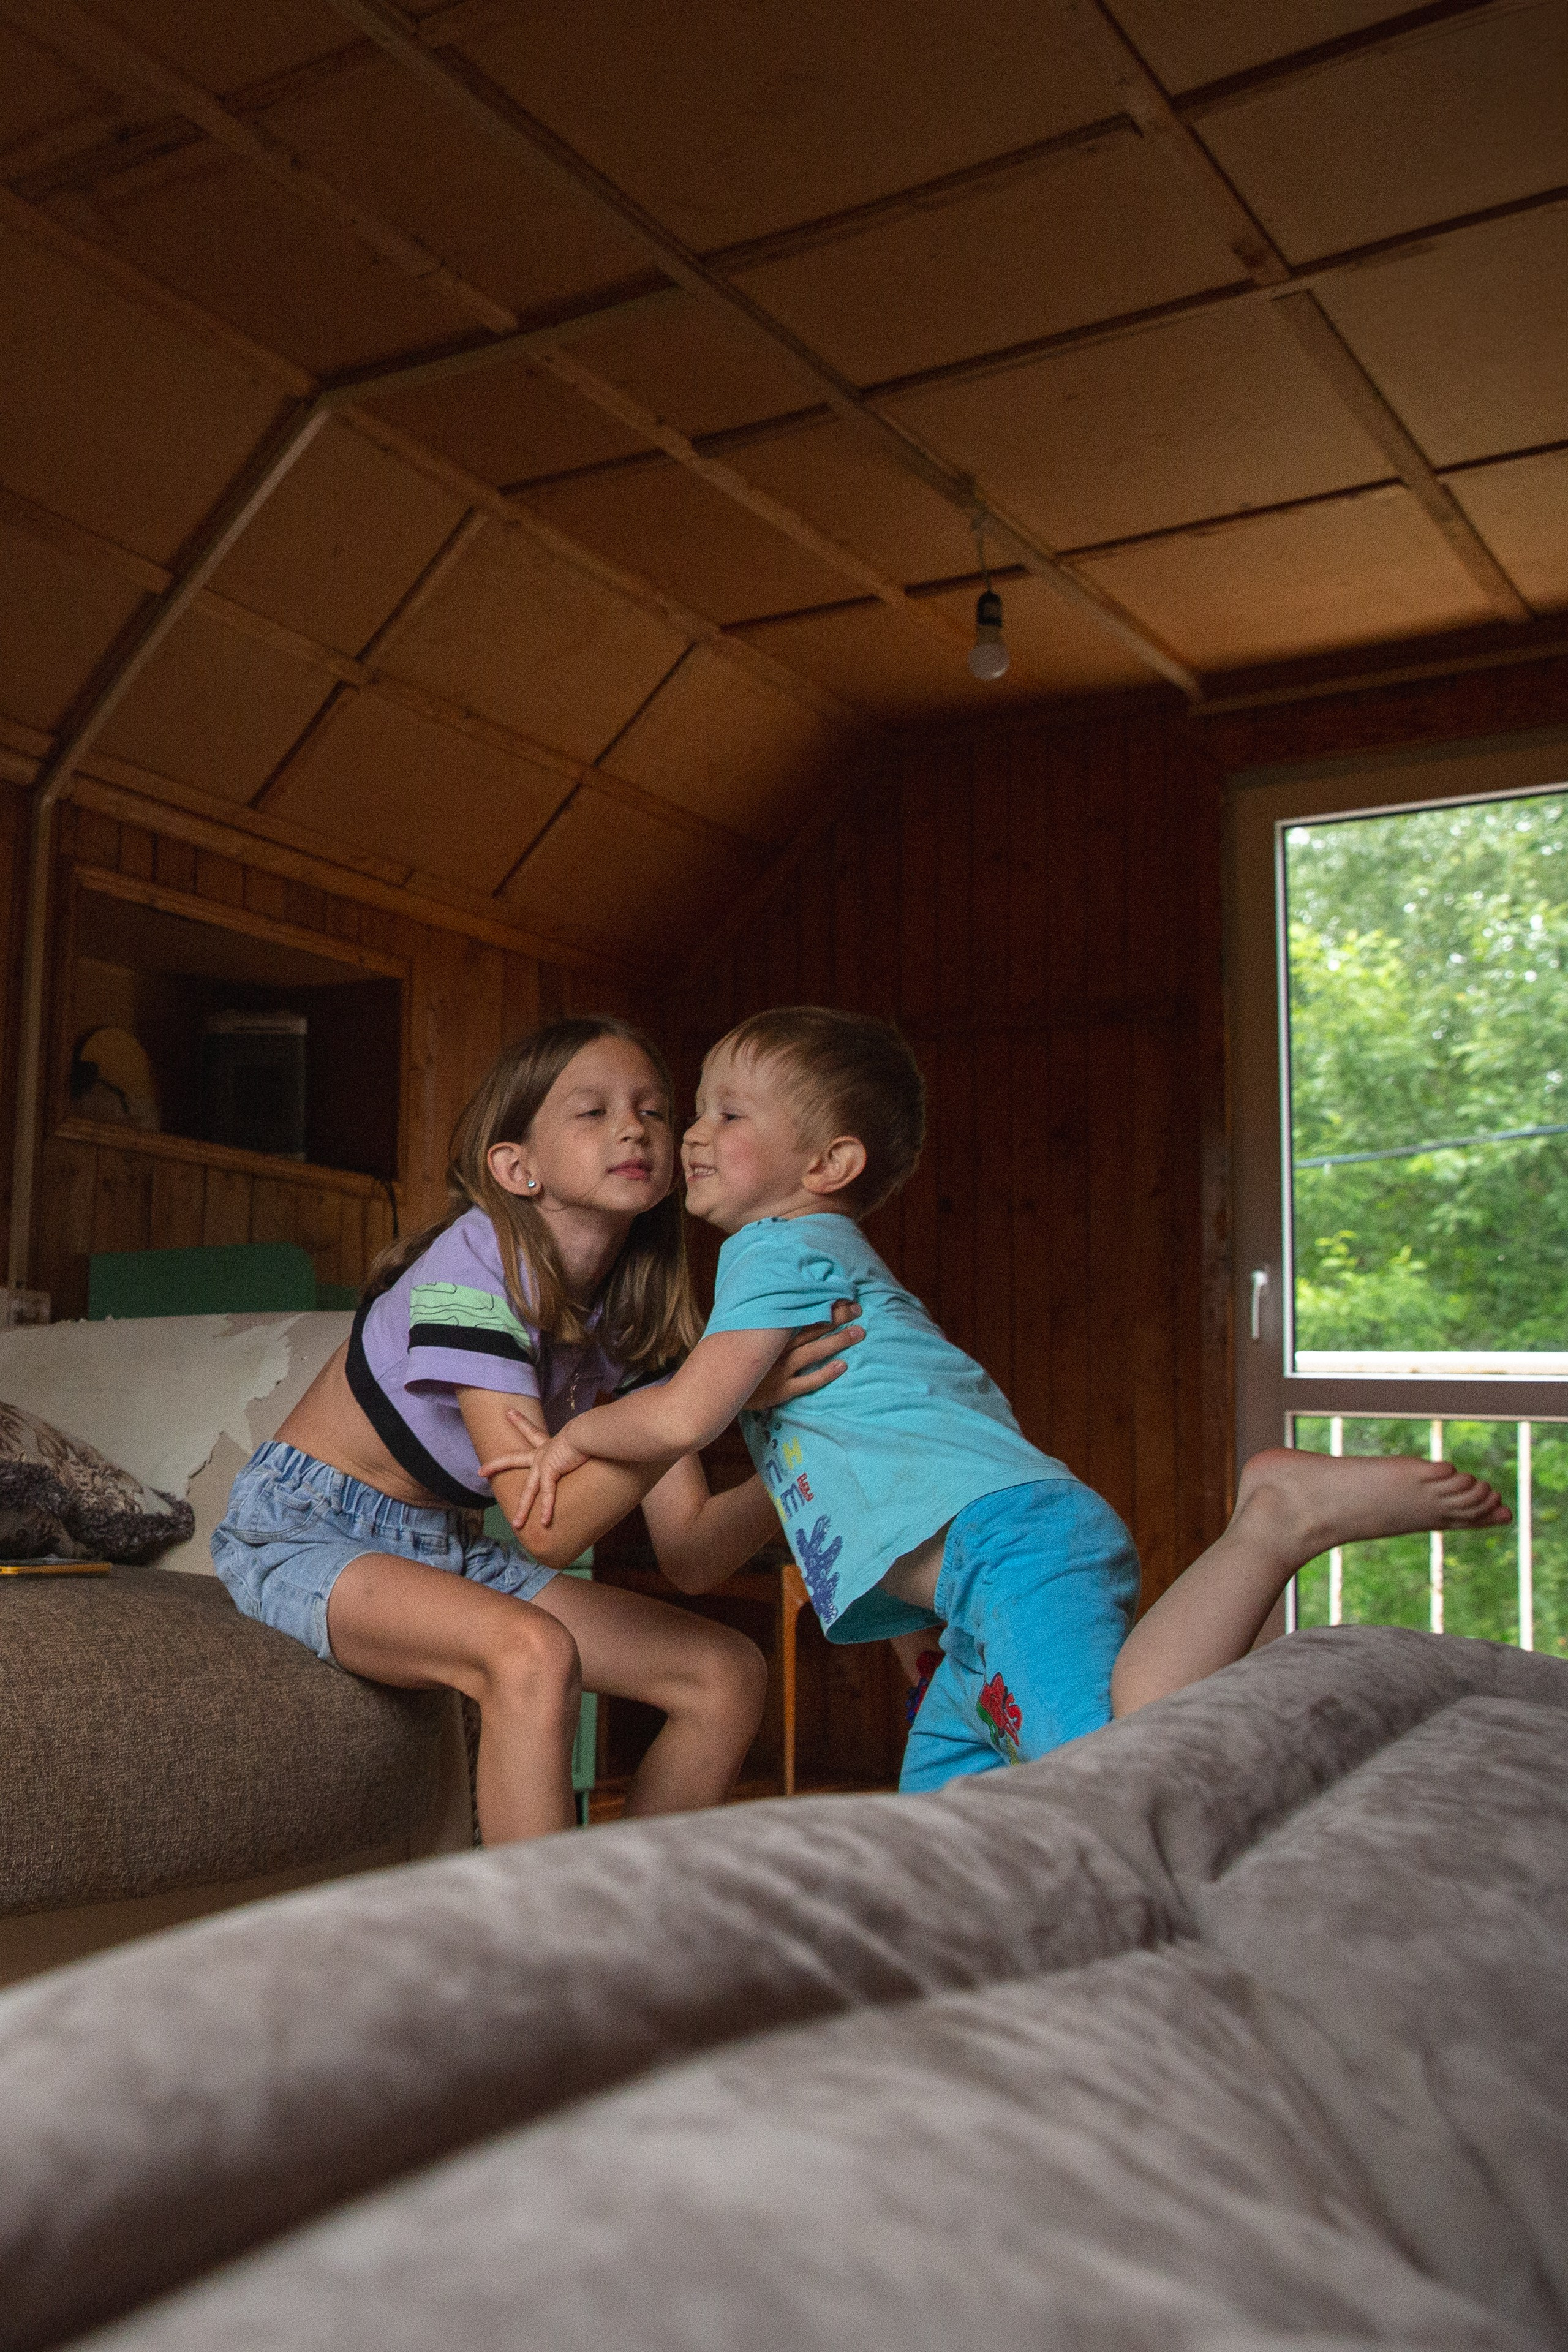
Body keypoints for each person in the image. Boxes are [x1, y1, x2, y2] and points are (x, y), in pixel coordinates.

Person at [500, 1006, 1512, 1795]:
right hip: (974, 1587)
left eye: (727, 1113)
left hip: (1010, 1552)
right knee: (961, 1830)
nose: (691, 1135)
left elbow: (682, 1419)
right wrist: (907, 1602)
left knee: (1120, 1760)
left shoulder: (776, 1252)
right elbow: (900, 1446)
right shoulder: (808, 1268)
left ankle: (1274, 1527)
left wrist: (581, 1431)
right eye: (702, 1108)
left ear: (827, 1165)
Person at [211, 1017, 861, 1844]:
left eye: (654, 1111)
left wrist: (800, 1455)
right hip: (305, 1532)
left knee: (725, 1672)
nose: (634, 1127)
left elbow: (693, 1554)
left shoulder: (633, 1317)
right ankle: (541, 1961)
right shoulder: (467, 1273)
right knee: (533, 1652)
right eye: (592, 1112)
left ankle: (625, 1927)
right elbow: (545, 1528)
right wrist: (702, 1405)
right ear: (517, 1167)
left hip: (443, 1543)